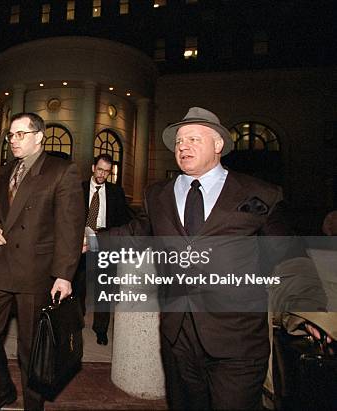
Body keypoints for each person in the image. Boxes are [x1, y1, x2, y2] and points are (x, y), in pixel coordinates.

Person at [109, 107, 303, 409]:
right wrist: (88, 241)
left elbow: (288, 257)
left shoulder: (260, 193)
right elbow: (136, 233)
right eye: (178, 142)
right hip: (178, 337)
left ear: (218, 145)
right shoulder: (157, 194)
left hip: (237, 339)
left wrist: (308, 315)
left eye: (193, 139)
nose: (183, 146)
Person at [0, 112, 85, 411]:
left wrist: (64, 275)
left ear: (39, 137)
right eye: (11, 135)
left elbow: (70, 228)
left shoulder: (62, 170)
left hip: (37, 271)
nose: (13, 140)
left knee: (31, 349)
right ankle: (2, 387)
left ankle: (34, 406)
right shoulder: (6, 171)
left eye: (21, 134)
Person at [74, 153, 130, 345]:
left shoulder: (117, 192)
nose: (102, 175)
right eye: (100, 170)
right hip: (80, 243)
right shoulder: (78, 189)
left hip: (105, 241)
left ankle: (101, 329)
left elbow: (124, 222)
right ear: (92, 167)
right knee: (78, 286)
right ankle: (77, 322)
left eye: (106, 172)